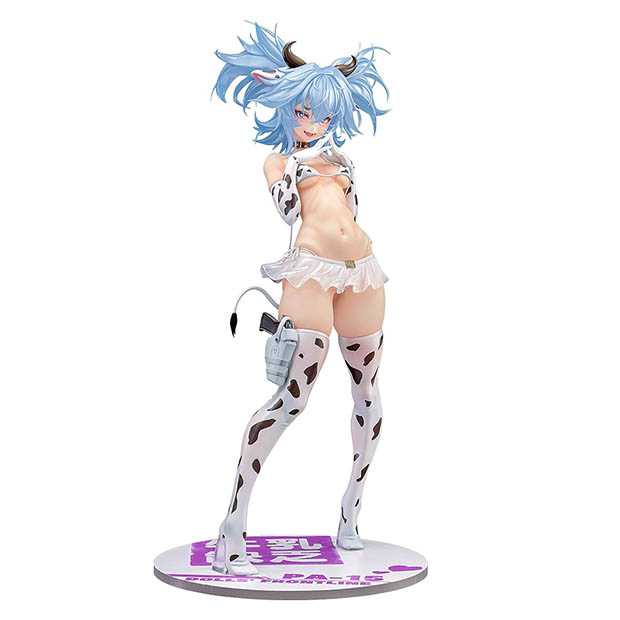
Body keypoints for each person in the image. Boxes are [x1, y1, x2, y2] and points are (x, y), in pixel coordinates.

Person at [212, 22, 390, 575]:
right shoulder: (279, 162)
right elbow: (289, 211)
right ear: (287, 109)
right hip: (309, 274)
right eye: (302, 111)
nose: (311, 123)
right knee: (291, 400)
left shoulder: (344, 163)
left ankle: (351, 512)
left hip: (361, 273)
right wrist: (298, 166)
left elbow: (351, 215)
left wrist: (330, 171)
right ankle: (233, 523)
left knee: (368, 394)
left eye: (322, 116)